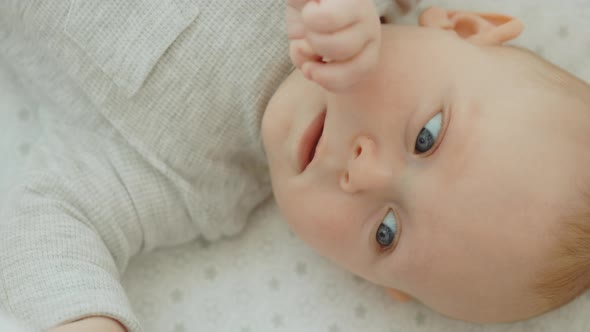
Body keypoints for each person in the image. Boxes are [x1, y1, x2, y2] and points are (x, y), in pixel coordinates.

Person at [1, 1, 589, 332]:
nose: (364, 174)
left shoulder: (190, 185)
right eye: (427, 137)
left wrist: (82, 320)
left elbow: (45, 220)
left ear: (372, 282)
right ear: (463, 26)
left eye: (387, 231)